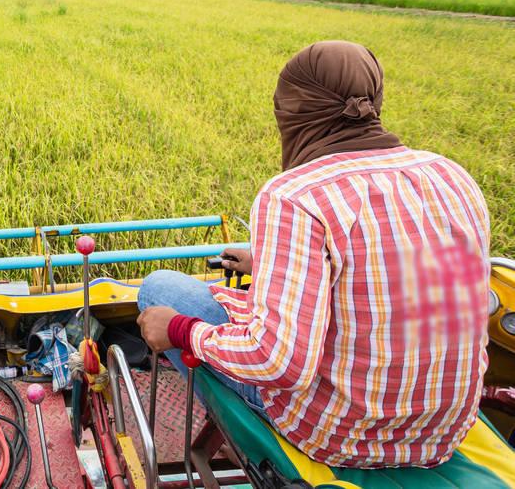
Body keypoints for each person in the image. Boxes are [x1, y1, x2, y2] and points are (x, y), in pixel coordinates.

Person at [137, 40, 491, 468]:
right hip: (442, 432)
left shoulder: (295, 196)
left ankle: (248, 426)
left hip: (339, 435)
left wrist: (180, 330)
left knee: (160, 289)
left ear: (292, 110)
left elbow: (279, 363)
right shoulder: (452, 175)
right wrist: (270, 260)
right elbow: (390, 271)